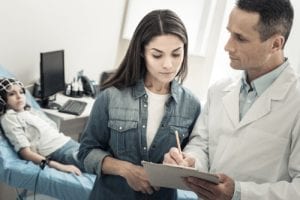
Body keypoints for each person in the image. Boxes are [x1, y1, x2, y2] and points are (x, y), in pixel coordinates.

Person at [164, 0, 300, 199]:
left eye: (241, 38)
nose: (228, 46)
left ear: (275, 44)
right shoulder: (219, 90)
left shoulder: (295, 101)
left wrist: (238, 193)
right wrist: (190, 162)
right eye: (229, 33)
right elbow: (202, 145)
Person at [78, 9, 201, 200]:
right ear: (142, 52)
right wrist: (126, 170)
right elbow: (86, 154)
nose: (168, 64)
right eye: (157, 55)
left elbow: (194, 157)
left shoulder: (191, 105)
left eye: (176, 54)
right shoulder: (111, 97)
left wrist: (185, 164)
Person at [0, 78, 83, 176]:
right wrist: (59, 166)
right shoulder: (9, 118)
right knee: (102, 164)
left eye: (21, 92)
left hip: (68, 143)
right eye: (12, 94)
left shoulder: (29, 111)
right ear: (2, 100)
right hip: (60, 152)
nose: (19, 97)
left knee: (101, 155)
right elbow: (25, 153)